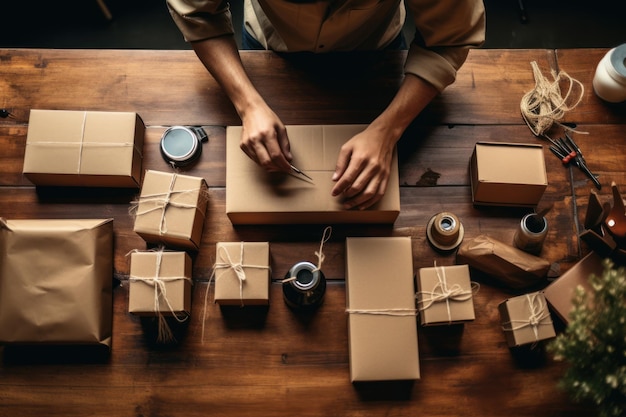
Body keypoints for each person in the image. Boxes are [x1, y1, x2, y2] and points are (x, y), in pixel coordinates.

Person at [166, 0, 485, 210]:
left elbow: (450, 38)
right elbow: (196, 10)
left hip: (376, 53)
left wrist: (387, 131)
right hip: (269, 45)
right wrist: (248, 105)